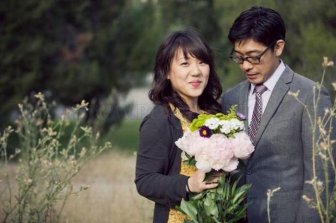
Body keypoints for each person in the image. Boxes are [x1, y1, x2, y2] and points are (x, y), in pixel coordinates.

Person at [222, 6, 334, 223]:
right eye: (239, 57)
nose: (246, 66)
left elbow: (321, 177)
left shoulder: (311, 95)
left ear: (278, 47)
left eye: (254, 57)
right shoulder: (230, 99)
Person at [135, 29, 223, 223]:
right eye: (185, 63)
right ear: (166, 71)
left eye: (202, 62)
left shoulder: (218, 116)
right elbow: (145, 181)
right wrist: (188, 184)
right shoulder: (161, 120)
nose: (196, 71)